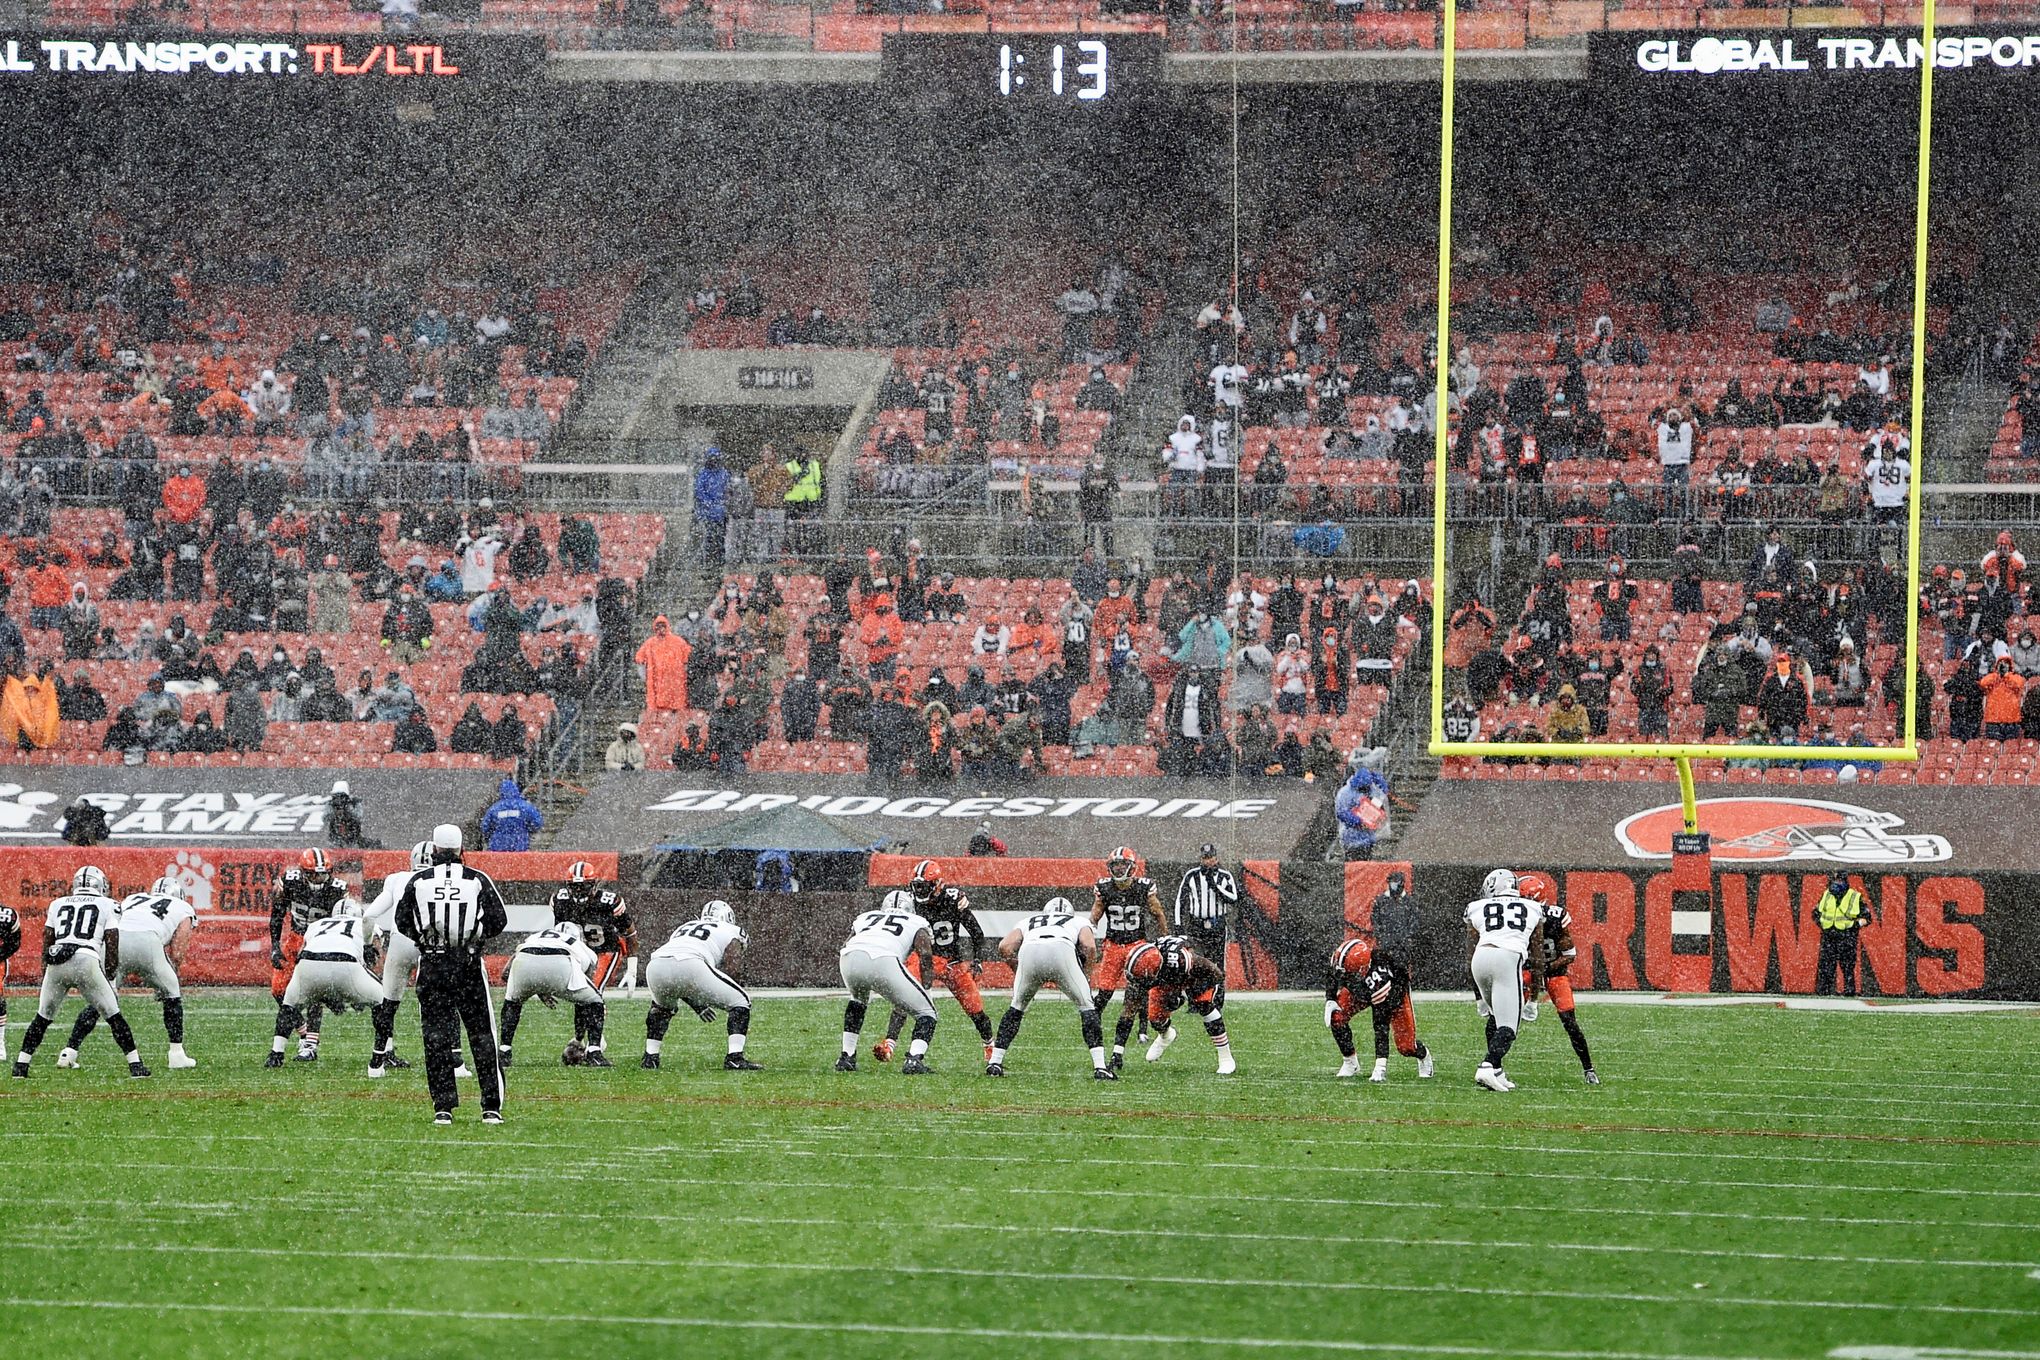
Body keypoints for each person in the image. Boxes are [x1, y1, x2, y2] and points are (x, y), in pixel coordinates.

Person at [395, 824, 508, 1125]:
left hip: (432, 964)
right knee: (482, 1034)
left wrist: (425, 939)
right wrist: (475, 937)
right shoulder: (477, 879)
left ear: (433, 850)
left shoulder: (418, 880)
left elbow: (401, 921)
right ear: (461, 851)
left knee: (436, 1037)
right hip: (467, 963)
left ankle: (443, 1107)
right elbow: (499, 920)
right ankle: (491, 1107)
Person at [11, 867, 150, 1079]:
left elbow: (48, 938)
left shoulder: (58, 904)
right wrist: (110, 973)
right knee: (113, 1015)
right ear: (100, 885)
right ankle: (135, 1065)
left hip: (58, 959)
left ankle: (21, 1065)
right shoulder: (109, 904)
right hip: (86, 959)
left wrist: (46, 969)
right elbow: (112, 940)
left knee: (42, 1017)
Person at [58, 873, 199, 1071]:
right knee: (173, 995)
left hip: (116, 942)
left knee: (103, 999)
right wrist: (165, 982)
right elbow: (177, 952)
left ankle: (69, 1052)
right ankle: (176, 1054)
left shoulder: (134, 898)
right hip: (147, 942)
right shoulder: (183, 906)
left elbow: (111, 922)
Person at [873, 861, 993, 1063]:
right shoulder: (910, 902)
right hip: (922, 959)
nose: (920, 891)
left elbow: (976, 933)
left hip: (952, 962)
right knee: (904, 998)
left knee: (975, 1009)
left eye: (925, 886)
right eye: (917, 886)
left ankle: (990, 1047)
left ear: (937, 884)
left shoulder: (953, 899)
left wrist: (977, 960)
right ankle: (889, 1044)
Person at [984, 898, 1114, 1080]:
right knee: (1087, 1007)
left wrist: (1020, 971)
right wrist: (1086, 974)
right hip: (1062, 948)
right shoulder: (1079, 921)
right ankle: (1100, 1067)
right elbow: (1089, 946)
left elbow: (1004, 947)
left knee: (1017, 1007)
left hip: (1029, 950)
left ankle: (995, 1063)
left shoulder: (1029, 921)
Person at [642, 900, 761, 1071]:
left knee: (661, 1010)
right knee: (741, 1001)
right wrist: (726, 986)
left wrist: (698, 1005)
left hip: (656, 965)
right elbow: (732, 965)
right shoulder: (732, 929)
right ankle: (735, 1058)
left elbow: (677, 977)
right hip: (692, 964)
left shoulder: (686, 926)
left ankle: (650, 1057)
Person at [263, 903, 385, 1068]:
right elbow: (374, 955)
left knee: (288, 1005)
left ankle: (276, 1053)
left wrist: (320, 990)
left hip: (309, 961)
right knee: (383, 1001)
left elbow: (301, 954)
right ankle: (384, 1053)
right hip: (345, 962)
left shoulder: (316, 925)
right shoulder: (364, 924)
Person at [1463, 868, 1546, 1093]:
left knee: (1494, 1015)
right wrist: (1535, 998)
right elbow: (1538, 957)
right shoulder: (1534, 908)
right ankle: (1487, 1066)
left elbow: (1470, 950)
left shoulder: (1476, 907)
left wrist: (1477, 995)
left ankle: (1497, 1070)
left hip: (1480, 959)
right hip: (1507, 958)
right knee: (1509, 1026)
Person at [834, 896, 938, 1074]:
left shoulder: (866, 916)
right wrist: (926, 988)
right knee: (927, 1013)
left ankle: (846, 1056)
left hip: (849, 957)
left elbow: (845, 944)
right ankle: (914, 1059)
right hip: (884, 959)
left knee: (858, 1000)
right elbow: (926, 954)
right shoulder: (916, 921)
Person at [548, 861, 641, 1054]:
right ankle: (580, 1039)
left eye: (584, 886)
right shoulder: (560, 900)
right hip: (580, 953)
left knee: (591, 993)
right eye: (575, 886)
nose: (580, 891)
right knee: (580, 994)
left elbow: (630, 934)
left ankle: (594, 1043)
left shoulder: (609, 902)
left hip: (606, 951)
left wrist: (632, 968)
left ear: (595, 885)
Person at [1515, 871, 1598, 1084]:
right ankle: (1493, 1064)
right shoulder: (1518, 916)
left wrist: (1545, 969)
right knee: (1503, 1017)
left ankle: (1588, 1069)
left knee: (1570, 1022)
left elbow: (1569, 954)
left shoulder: (1554, 917)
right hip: (1525, 970)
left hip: (1553, 972)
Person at [359, 839, 433, 1076]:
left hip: (400, 942)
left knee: (388, 1003)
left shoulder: (396, 879)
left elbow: (369, 916)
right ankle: (453, 1061)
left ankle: (377, 1061)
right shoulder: (444, 878)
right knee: (436, 1004)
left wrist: (367, 944)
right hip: (429, 942)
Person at [268, 848, 351, 1061]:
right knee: (279, 990)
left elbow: (346, 923)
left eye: (323, 874)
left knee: (315, 992)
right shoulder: (290, 880)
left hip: (321, 942)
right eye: (314, 873)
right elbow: (277, 915)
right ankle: (303, 1030)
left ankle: (310, 1045)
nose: (319, 878)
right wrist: (275, 946)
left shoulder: (337, 889)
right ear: (303, 872)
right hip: (296, 938)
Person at [1088, 846, 1166, 1070]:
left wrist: (1165, 937)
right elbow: (1095, 915)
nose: (1119, 868)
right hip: (1113, 945)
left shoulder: (1143, 887)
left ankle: (1141, 1030)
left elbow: (1157, 912)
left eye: (1123, 864)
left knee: (1137, 992)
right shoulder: (1104, 888)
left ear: (1132, 867)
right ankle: (1092, 1028)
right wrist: (1087, 930)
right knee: (1103, 993)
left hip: (1137, 945)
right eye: (1116, 865)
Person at [496, 918, 610, 1070]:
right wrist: (580, 1035)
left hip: (524, 960)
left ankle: (504, 1052)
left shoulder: (535, 937)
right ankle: (594, 1052)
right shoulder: (578, 944)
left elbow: (505, 974)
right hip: (560, 960)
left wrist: (540, 988)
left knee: (512, 1003)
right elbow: (583, 992)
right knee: (595, 1001)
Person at [1323, 933, 1432, 1081]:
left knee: (1406, 1047)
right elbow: (1332, 974)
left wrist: (1380, 1065)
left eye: (1348, 974)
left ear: (1361, 970)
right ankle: (1350, 1062)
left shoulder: (1380, 982)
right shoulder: (1345, 966)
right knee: (1336, 1016)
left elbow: (1380, 1025)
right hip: (1361, 991)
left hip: (1394, 997)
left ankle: (1423, 1054)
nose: (1343, 978)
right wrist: (1330, 999)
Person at [1127, 936, 1235, 1075]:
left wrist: (1198, 989)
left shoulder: (1181, 960)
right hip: (1168, 977)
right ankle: (1166, 1035)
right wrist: (1172, 997)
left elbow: (1214, 971)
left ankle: (1226, 1058)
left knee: (1204, 1006)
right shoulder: (1148, 957)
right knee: (1155, 1019)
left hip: (1196, 975)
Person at [1172, 843, 1239, 1007]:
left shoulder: (1225, 875)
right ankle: (1195, 1002)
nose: (1207, 861)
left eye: (1210, 858)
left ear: (1216, 858)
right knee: (1194, 963)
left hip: (1217, 925)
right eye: (1204, 858)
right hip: (1197, 925)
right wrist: (1179, 926)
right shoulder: (1191, 875)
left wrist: (1214, 885)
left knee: (1217, 964)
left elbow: (1233, 898)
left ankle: (1217, 1001)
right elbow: (1181, 901)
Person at [1814, 874, 1868, 997]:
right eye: (1834, 880)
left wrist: (1854, 926)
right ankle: (1824, 991)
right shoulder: (1826, 894)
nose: (1836, 883)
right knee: (1826, 966)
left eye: (1839, 880)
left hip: (1847, 937)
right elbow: (1816, 912)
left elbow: (1867, 918)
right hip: (1829, 936)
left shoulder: (1855, 897)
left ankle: (1849, 992)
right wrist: (1823, 925)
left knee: (1847, 967)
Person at [1335, 755, 1390, 861]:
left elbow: (1379, 802)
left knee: (1365, 864)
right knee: (1354, 866)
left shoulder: (1372, 790)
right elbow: (1341, 812)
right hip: (1350, 838)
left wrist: (1381, 784)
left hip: (1368, 837)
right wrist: (1358, 822)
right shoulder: (1345, 793)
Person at [634, 614, 692, 713]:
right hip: (659, 682)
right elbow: (639, 658)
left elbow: (689, 657)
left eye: (663, 626)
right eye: (658, 626)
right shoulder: (650, 643)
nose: (660, 629)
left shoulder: (678, 642)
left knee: (674, 708)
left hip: (674, 681)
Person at [483, 778, 543, 852]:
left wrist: (491, 835)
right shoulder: (525, 806)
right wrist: (527, 829)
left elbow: (485, 827)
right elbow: (537, 823)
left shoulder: (494, 808)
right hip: (519, 845)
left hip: (497, 847)